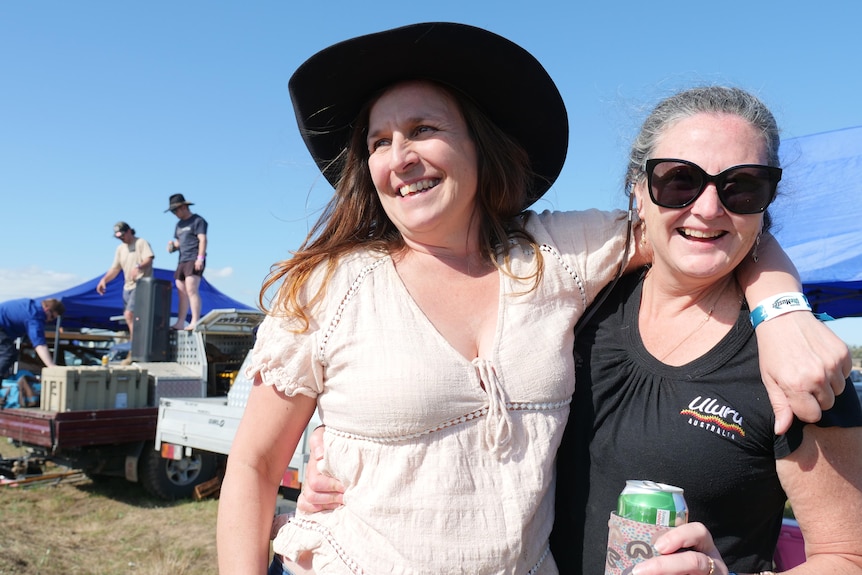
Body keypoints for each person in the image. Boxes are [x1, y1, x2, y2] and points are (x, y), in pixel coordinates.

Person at [217, 23, 849, 575]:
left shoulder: (556, 256)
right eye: (379, 142)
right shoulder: (331, 287)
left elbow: (699, 228)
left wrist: (781, 307)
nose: (400, 156)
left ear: (478, 145)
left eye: (423, 129)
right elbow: (252, 467)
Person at [547, 86, 862, 575]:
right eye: (679, 181)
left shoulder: (796, 364)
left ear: (766, 202)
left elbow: (849, 556)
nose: (709, 208)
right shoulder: (575, 301)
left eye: (743, 186)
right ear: (638, 189)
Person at [96, 221, 155, 353]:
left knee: (130, 314)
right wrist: (104, 280)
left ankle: (136, 343)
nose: (121, 239)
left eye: (122, 236)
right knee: (128, 316)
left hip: (142, 283)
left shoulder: (141, 242)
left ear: (129, 231)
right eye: (118, 237)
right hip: (127, 286)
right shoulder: (120, 249)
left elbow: (149, 259)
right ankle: (134, 341)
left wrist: (138, 267)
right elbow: (115, 268)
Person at [165, 193, 208, 330]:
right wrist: (172, 246)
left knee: (191, 289)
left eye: (175, 210)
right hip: (182, 260)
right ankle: (180, 321)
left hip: (194, 258)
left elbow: (202, 239)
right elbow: (179, 242)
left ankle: (195, 320)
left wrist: (200, 258)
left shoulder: (198, 220)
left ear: (183, 207)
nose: (174, 213)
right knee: (181, 291)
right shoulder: (178, 225)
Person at [0, 298, 65, 378]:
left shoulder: (32, 305)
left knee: (9, 354)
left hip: (4, 327)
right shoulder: (35, 315)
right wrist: (51, 365)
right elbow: (39, 344)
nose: (49, 320)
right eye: (51, 317)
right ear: (47, 309)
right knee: (8, 353)